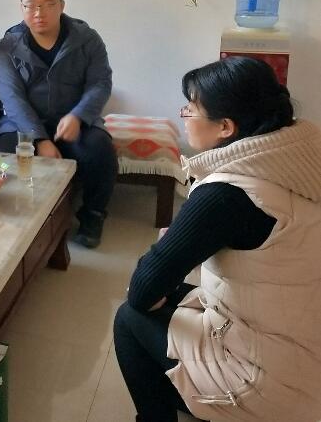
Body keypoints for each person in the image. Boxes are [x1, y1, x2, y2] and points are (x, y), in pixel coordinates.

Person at [114, 57, 321, 422]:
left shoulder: (226, 193)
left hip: (272, 382)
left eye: (190, 108)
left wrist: (173, 251)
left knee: (130, 317)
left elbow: (143, 290)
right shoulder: (300, 157)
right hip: (303, 345)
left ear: (226, 126)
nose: (184, 115)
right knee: (177, 298)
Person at [0, 0, 116, 248]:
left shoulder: (87, 39)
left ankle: (93, 215)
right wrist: (40, 139)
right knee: (8, 152)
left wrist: (79, 115)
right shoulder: (7, 46)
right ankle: (18, 215)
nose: (39, 13)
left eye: (48, 4)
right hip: (24, 123)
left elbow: (100, 83)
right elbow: (12, 98)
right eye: (31, 6)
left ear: (62, 5)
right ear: (22, 8)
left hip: (73, 119)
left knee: (100, 149)